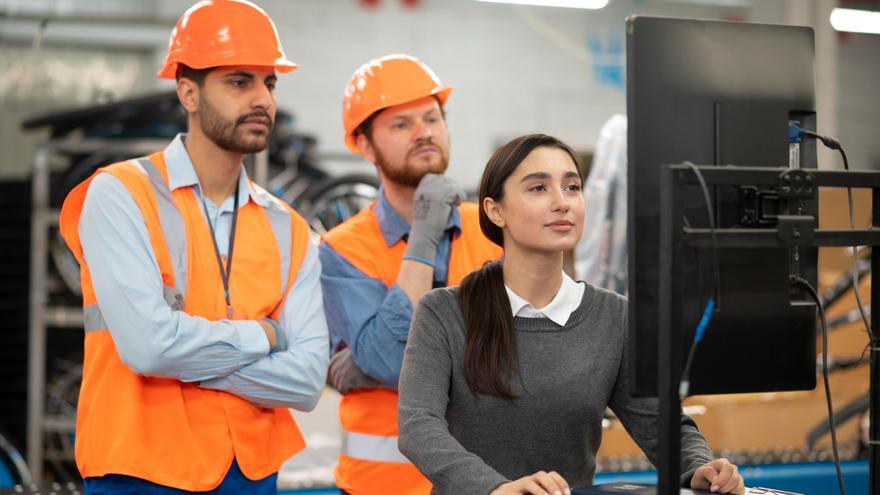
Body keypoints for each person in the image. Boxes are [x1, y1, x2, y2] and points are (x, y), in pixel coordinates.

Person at [58, 1, 329, 493]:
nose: (262, 99)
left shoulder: (288, 227)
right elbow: (148, 347)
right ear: (188, 91)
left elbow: (307, 382)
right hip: (139, 473)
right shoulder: (120, 193)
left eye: (269, 83)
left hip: (250, 476)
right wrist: (266, 338)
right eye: (238, 81)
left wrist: (188, 365)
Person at [397, 134, 746, 495]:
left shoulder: (614, 317)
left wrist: (700, 467)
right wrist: (494, 489)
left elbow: (662, 423)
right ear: (494, 210)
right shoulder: (443, 312)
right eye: (538, 188)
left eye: (572, 187)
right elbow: (417, 426)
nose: (562, 203)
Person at [319, 54, 504, 495]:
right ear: (365, 146)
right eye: (400, 124)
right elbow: (386, 360)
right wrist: (424, 234)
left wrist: (379, 363)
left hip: (488, 482)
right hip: (384, 485)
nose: (423, 131)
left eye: (431, 117)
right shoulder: (344, 249)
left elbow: (530, 358)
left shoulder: (495, 230)